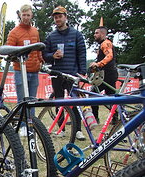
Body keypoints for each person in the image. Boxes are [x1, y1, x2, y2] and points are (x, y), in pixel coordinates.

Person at [42, 6, 87, 141]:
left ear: (65, 17)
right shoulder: (51, 36)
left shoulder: (76, 34)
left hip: (73, 75)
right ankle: (61, 128)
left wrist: (82, 73)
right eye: (55, 17)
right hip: (57, 74)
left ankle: (78, 130)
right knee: (59, 102)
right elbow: (44, 54)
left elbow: (82, 54)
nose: (57, 19)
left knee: (75, 102)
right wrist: (52, 56)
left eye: (60, 16)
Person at [6, 4, 44, 136]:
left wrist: (40, 60)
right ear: (20, 16)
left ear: (31, 15)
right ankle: (21, 125)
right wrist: (16, 59)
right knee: (22, 100)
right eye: (24, 15)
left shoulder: (35, 31)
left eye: (28, 15)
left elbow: (38, 49)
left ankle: (30, 125)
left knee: (32, 101)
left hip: (34, 71)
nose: (26, 17)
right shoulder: (14, 32)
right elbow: (9, 51)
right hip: (20, 70)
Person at [90, 26, 118, 124]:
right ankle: (114, 119)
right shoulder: (103, 44)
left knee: (93, 94)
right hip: (108, 73)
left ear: (102, 34)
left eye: (96, 33)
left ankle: (96, 118)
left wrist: (98, 64)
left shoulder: (106, 43)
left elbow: (109, 56)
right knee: (111, 97)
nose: (94, 35)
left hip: (107, 74)